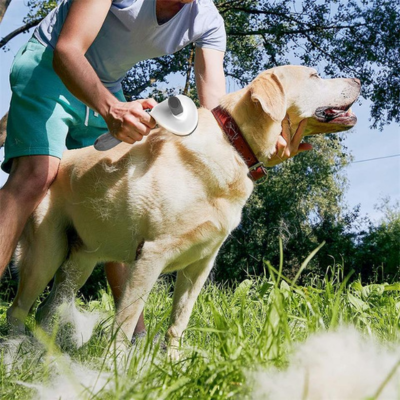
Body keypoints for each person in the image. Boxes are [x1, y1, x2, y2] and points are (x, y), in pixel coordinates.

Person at [0, 0, 311, 336]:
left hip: (106, 83)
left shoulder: (207, 21)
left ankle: (135, 343)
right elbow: (68, 49)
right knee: (36, 176)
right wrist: (112, 109)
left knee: (119, 194)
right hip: (50, 65)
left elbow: (218, 120)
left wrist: (261, 151)